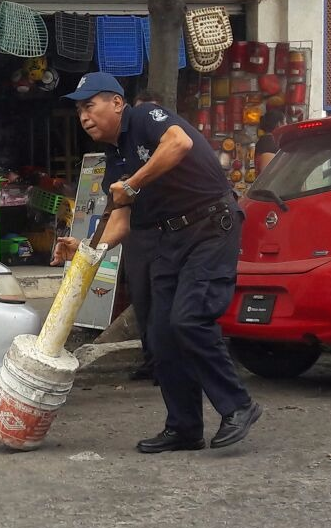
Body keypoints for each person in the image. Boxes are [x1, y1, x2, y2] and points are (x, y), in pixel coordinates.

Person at [52, 72, 262, 452]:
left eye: (90, 105)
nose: (83, 116)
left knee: (189, 318)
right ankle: (184, 428)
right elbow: (121, 220)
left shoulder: (145, 117)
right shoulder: (115, 159)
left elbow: (179, 143)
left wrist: (134, 184)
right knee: (161, 336)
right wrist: (84, 248)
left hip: (210, 226)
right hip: (171, 238)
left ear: (117, 103)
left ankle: (238, 405)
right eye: (79, 110)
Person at [124, 88, 164, 382]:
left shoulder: (168, 148)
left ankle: (165, 363)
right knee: (141, 300)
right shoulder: (125, 148)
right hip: (136, 233)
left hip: (165, 233)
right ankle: (151, 360)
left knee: (162, 302)